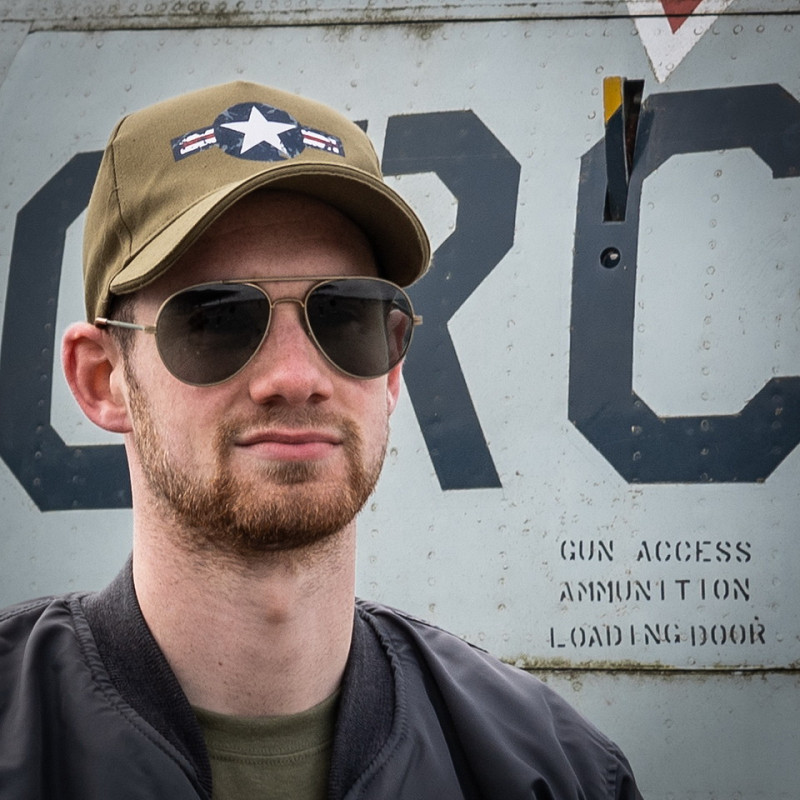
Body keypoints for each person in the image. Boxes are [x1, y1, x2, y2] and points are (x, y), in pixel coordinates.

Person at [0, 81, 643, 799]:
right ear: (102, 380)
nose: (296, 378)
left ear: (391, 370)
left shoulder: (553, 772)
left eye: (344, 316)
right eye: (216, 319)